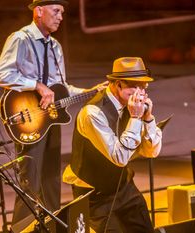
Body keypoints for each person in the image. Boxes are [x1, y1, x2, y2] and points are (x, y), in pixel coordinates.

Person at [0, 0, 107, 227]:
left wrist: (90, 92)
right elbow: (1, 75)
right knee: (29, 183)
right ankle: (22, 230)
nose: (60, 17)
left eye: (62, 13)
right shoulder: (21, 39)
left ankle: (52, 227)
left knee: (51, 181)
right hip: (29, 118)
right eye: (56, 11)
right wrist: (36, 85)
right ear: (38, 11)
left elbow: (60, 87)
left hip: (50, 120)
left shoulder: (55, 46)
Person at [63, 57, 163, 233]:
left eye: (144, 87)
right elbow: (120, 157)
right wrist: (135, 118)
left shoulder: (134, 108)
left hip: (124, 187)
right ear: (118, 85)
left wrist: (148, 119)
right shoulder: (93, 113)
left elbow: (151, 152)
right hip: (95, 195)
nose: (140, 94)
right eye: (135, 86)